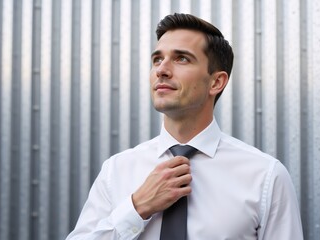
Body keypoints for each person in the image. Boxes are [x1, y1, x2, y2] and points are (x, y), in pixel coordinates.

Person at [66, 13, 303, 240]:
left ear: (216, 82)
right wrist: (137, 207)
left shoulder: (265, 177)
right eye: (157, 59)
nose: (161, 70)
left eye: (181, 59)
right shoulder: (116, 171)